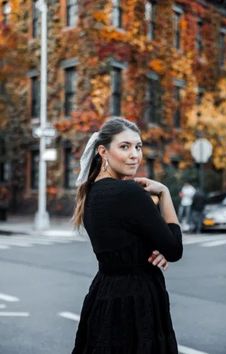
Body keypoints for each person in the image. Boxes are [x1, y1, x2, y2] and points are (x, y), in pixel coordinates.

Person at [71, 117, 183, 354]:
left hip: (103, 295)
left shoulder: (89, 192)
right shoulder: (128, 192)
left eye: (138, 147)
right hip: (137, 300)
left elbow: (128, 238)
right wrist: (164, 193)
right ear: (103, 151)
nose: (135, 155)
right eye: (125, 147)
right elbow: (174, 250)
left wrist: (152, 249)